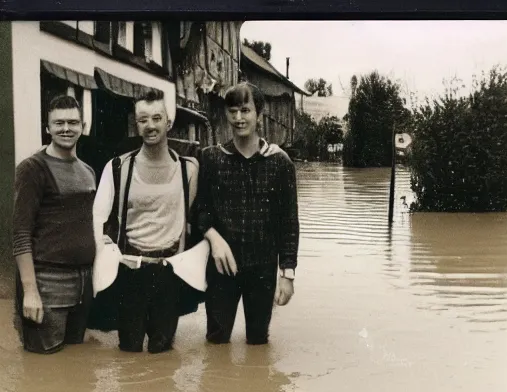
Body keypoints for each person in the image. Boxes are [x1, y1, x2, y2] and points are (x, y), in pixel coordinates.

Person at [92, 89, 199, 354]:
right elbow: (97, 217)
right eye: (143, 120)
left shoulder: (190, 169)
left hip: (169, 274)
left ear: (168, 122)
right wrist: (104, 254)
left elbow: (200, 216)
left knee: (163, 358)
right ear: (136, 124)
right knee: (129, 354)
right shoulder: (117, 167)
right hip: (130, 273)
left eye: (156, 118)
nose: (150, 125)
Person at [194, 81, 299, 346]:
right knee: (216, 343)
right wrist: (213, 239)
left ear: (258, 114)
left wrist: (287, 275)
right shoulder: (211, 159)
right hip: (221, 266)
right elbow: (200, 211)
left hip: (262, 268)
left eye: (245, 110)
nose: (239, 118)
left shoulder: (279, 162)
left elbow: (289, 223)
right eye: (233, 111)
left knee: (258, 342)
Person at [12, 94, 97, 354]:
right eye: (58, 123)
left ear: (83, 127)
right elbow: (20, 233)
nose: (66, 129)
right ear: (47, 128)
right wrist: (30, 292)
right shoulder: (32, 169)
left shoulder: (88, 171)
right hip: (47, 284)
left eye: (73, 122)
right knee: (43, 367)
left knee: (73, 367)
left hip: (84, 283)